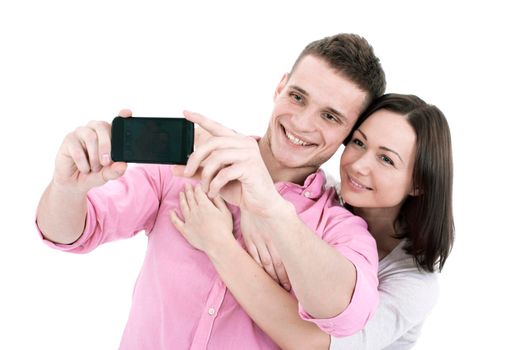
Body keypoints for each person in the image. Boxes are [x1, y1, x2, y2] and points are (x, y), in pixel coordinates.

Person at [36, 33, 386, 349]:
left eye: (330, 117)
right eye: (297, 97)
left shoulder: (342, 228)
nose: (302, 123)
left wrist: (271, 209)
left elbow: (346, 315)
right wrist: (67, 188)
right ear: (280, 87)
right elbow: (71, 233)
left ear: (350, 134)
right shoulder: (184, 166)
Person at [171, 93, 454, 349]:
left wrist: (219, 244)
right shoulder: (322, 199)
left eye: (386, 159)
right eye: (358, 143)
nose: (359, 165)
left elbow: (314, 345)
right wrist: (250, 209)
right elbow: (262, 179)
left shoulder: (414, 284)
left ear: (419, 182)